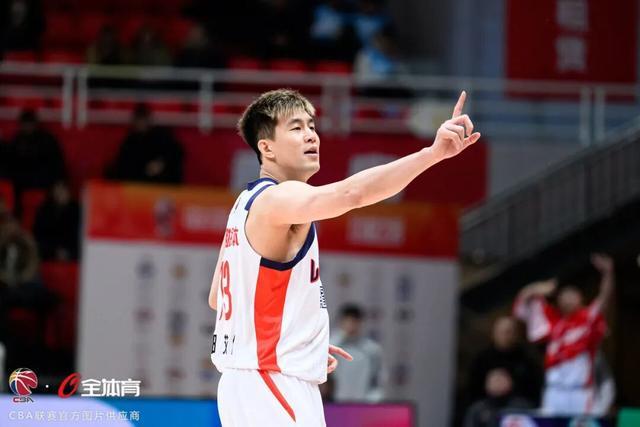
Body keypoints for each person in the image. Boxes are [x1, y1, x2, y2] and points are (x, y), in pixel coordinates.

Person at [208, 88, 480, 426]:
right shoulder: (280, 198)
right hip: (272, 383)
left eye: (311, 126)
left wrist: (296, 338)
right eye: (296, 128)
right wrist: (432, 154)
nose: (311, 135)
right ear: (267, 148)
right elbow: (353, 193)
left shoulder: (244, 204)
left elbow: (218, 297)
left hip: (248, 384)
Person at [513, 254, 615, 416]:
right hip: (554, 392)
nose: (568, 298)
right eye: (564, 295)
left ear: (581, 298)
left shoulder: (588, 319)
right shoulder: (551, 323)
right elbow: (521, 307)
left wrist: (608, 273)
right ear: (558, 300)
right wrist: (535, 288)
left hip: (580, 392)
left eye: (572, 294)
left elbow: (604, 299)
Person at [467, 316, 543, 406]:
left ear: (516, 335)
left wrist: (512, 385)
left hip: (516, 404)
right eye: (501, 332)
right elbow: (472, 389)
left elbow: (534, 390)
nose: (505, 336)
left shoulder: (526, 360)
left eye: (509, 332)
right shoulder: (482, 359)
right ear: (493, 334)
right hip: (486, 404)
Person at [108, 104, 184, 184]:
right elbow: (123, 164)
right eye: (138, 120)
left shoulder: (161, 135)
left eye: (143, 119)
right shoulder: (130, 141)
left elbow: (177, 152)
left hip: (162, 183)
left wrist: (160, 163)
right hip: (138, 182)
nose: (141, 123)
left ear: (149, 120)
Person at [4, 110, 66, 208]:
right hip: (22, 180)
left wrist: (59, 181)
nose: (28, 127)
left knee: (57, 187)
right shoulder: (16, 141)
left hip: (44, 179)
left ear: (35, 124)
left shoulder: (47, 140)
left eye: (30, 124)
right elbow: (10, 164)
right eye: (25, 124)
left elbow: (57, 163)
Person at [330, 304, 385, 402]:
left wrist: (373, 399)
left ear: (360, 323)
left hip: (363, 403)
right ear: (341, 322)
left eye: (354, 321)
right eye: (347, 321)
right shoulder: (332, 346)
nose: (350, 325)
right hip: (336, 403)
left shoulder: (372, 350)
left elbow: (378, 379)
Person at [464, 368, 532, 427]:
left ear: (510, 382)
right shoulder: (477, 409)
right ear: (486, 385)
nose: (497, 384)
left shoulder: (522, 406)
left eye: (501, 379)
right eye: (494, 380)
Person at [32, 181, 80, 261]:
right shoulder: (44, 210)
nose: (59, 193)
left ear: (69, 191)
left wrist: (69, 253)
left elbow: (79, 237)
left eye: (62, 189)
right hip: (48, 254)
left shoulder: (78, 210)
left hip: (72, 254)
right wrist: (54, 251)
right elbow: (38, 236)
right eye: (57, 190)